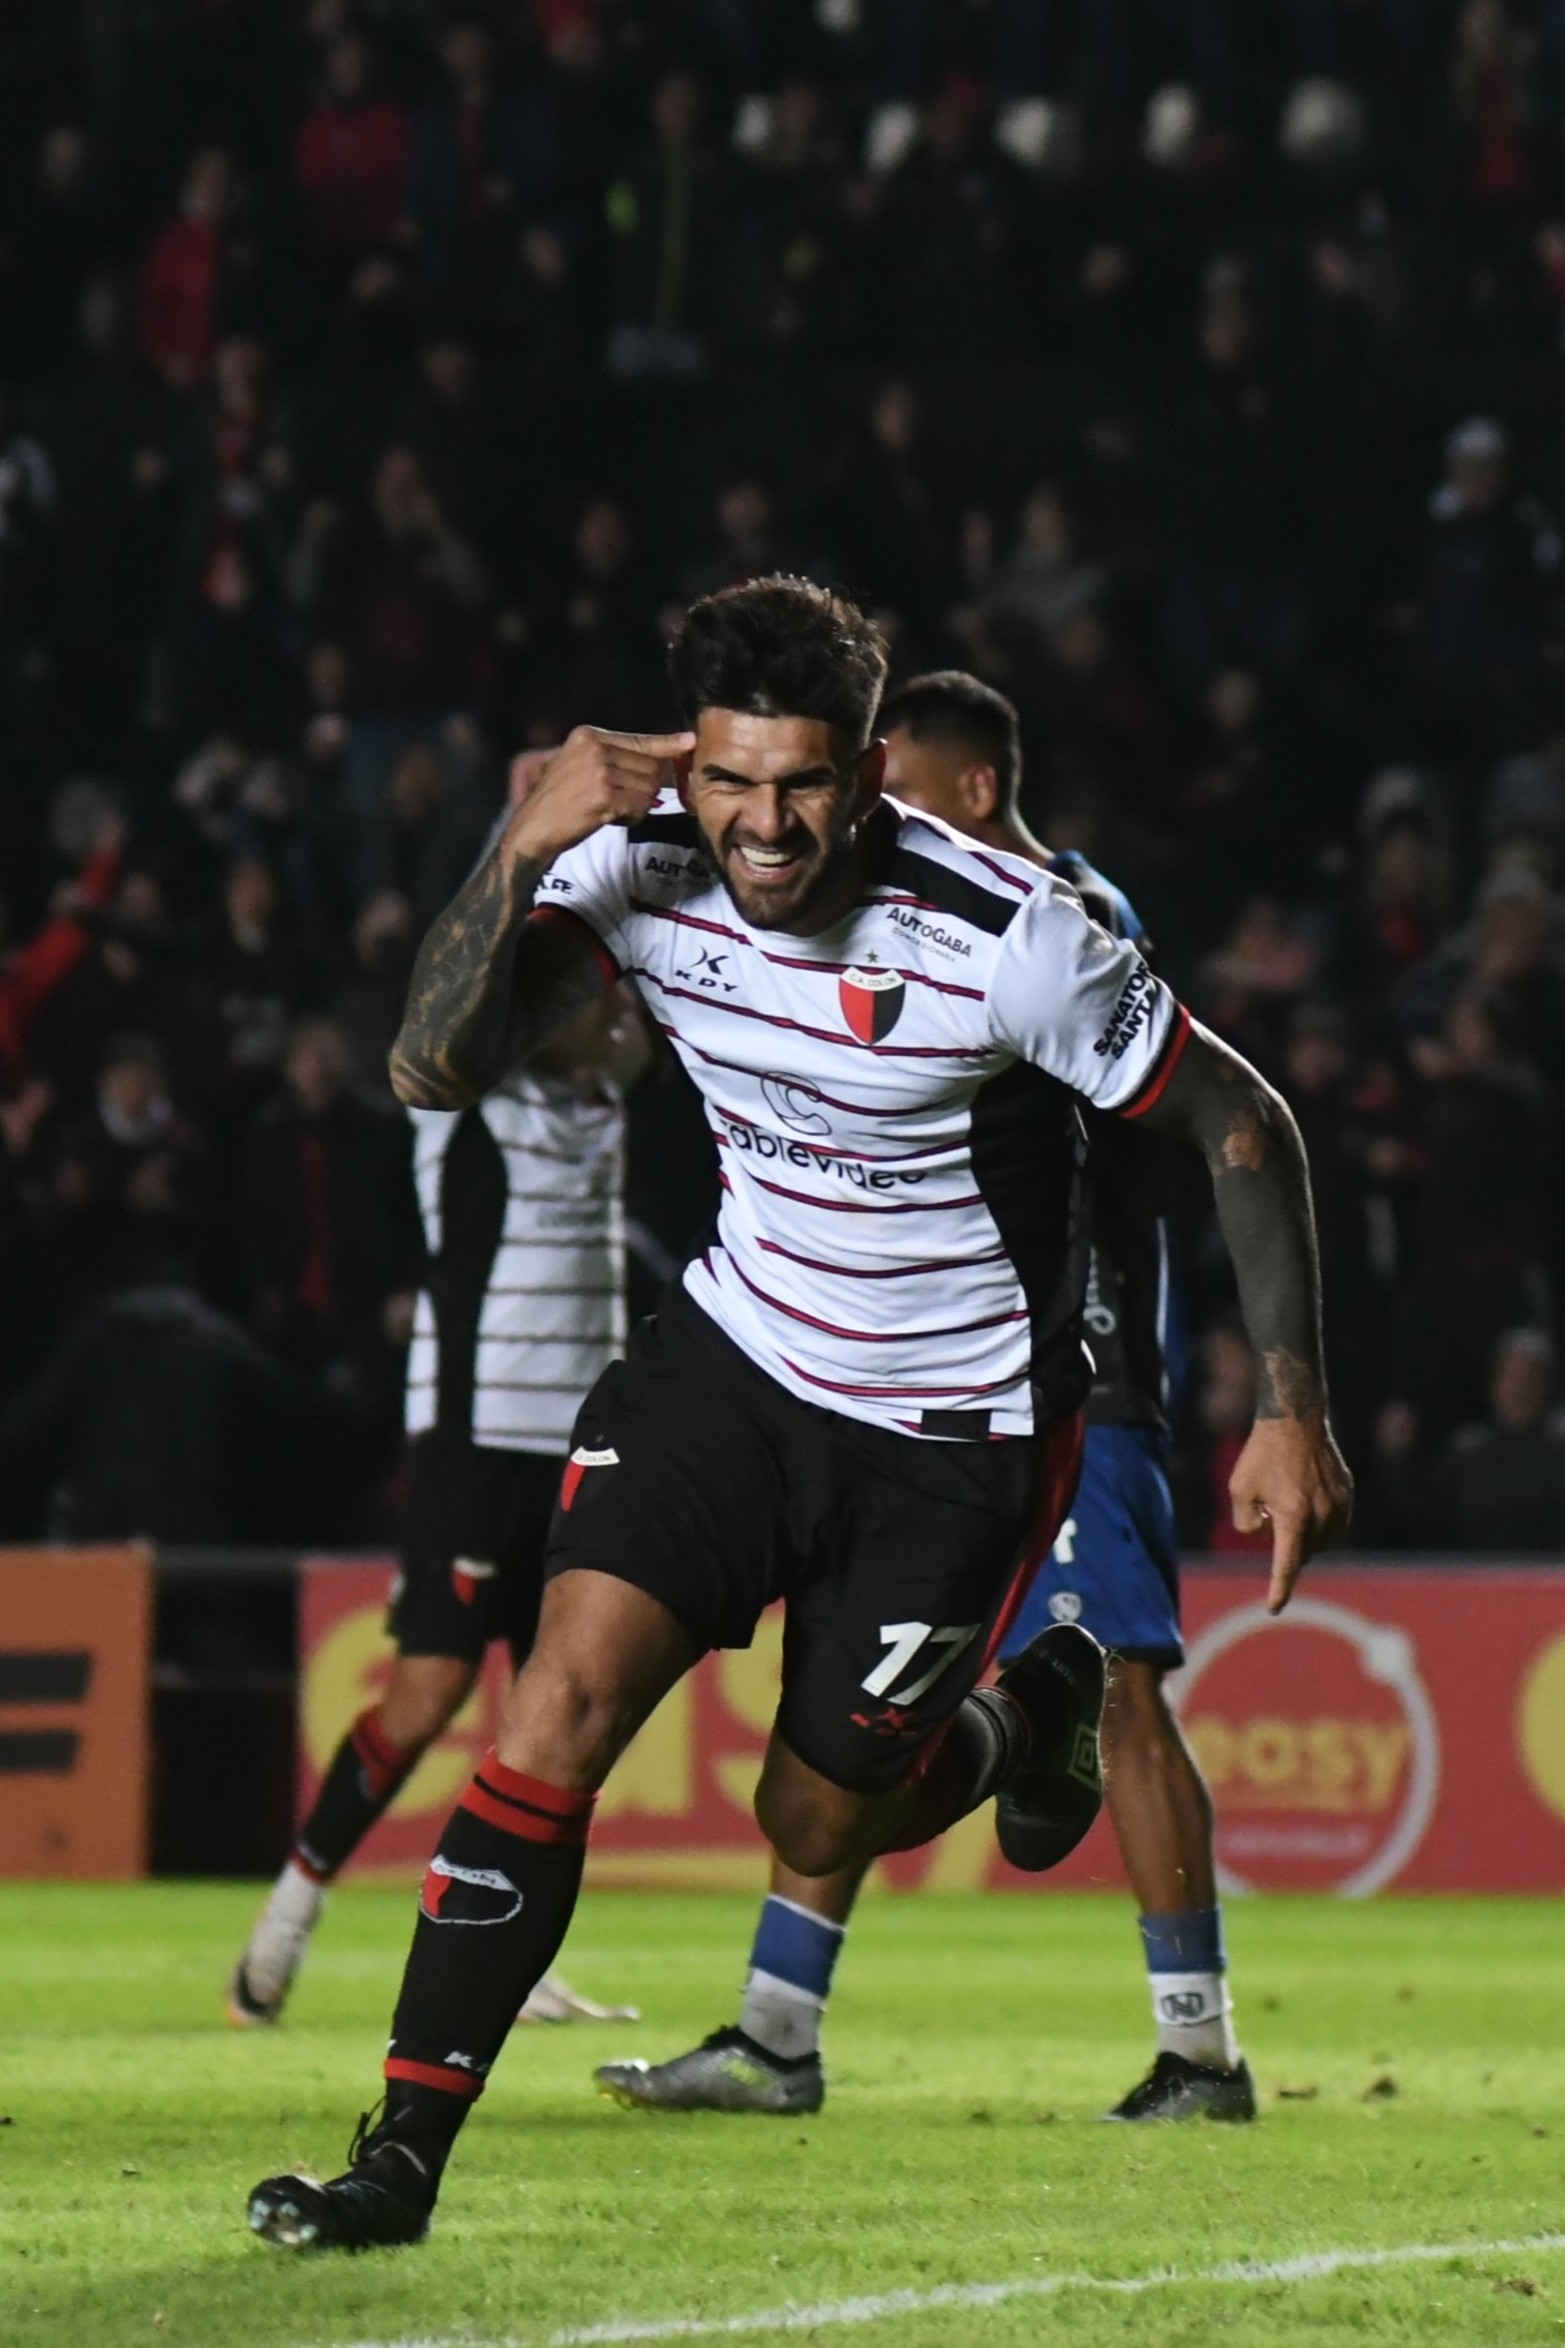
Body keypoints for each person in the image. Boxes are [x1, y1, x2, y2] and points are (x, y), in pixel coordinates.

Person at [246, 577, 1350, 2252]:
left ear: (869, 769)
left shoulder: (1010, 932)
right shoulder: (630, 868)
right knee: (555, 1708)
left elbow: (1242, 1118)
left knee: (815, 1818)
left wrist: (1290, 1410)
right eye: (732, 782)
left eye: (806, 785)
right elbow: (429, 1067)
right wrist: (520, 846)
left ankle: (1029, 1710)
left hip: (954, 1432)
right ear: (688, 763)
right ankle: (396, 2160)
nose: (765, 827)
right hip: (734, 1366)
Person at [594, 671, 1257, 2128]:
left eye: (890, 789)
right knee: (849, 1705)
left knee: (1116, 1683)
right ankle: (775, 2028)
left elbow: (1175, 1128)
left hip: (1063, 1373)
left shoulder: (1068, 919)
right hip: (905, 1382)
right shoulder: (902, 921)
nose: (857, 817)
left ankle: (1199, 2049)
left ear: (971, 790)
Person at [229, 955, 648, 2029]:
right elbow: (457, 999)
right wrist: (519, 874)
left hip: (578, 1445)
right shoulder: (464, 1094)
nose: (612, 1014)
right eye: (591, 998)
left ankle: (513, 1958)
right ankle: (286, 1918)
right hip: (474, 1438)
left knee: (561, 1706)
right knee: (427, 1692)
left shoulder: (600, 1096)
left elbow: (645, 1032)